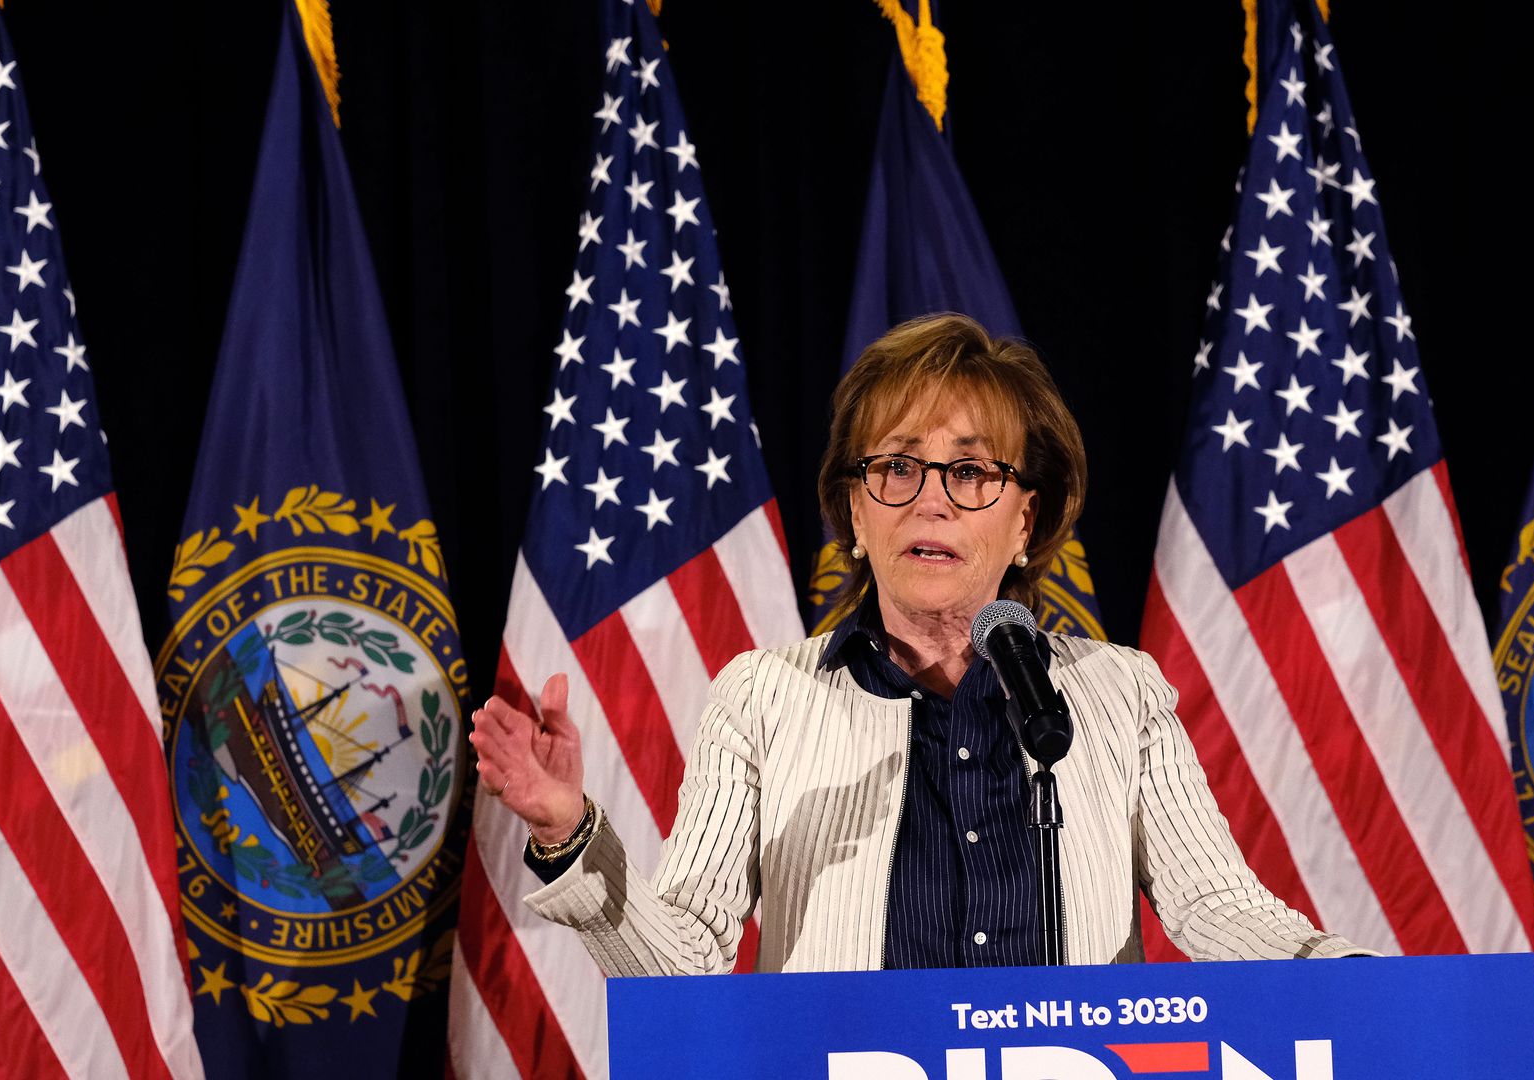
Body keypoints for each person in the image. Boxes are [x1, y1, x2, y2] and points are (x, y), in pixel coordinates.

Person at [469, 313, 1373, 974]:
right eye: (897, 466)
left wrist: (1348, 976)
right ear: (858, 512)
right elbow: (684, 963)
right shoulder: (763, 699)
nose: (931, 497)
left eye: (972, 470)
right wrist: (567, 831)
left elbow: (1214, 906)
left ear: (1026, 521)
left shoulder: (1118, 695)